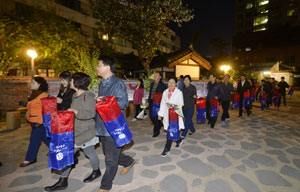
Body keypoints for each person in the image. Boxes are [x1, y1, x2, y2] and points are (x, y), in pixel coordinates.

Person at [45, 72, 100, 191]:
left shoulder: (88, 96)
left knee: (90, 154)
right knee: (67, 155)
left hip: (85, 133)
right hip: (73, 132)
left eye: (72, 80)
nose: (70, 82)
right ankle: (63, 181)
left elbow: (91, 114)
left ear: (77, 82)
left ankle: (96, 171)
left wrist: (76, 112)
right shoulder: (75, 95)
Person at [95, 56, 135, 192]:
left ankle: (105, 186)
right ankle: (129, 161)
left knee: (110, 160)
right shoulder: (102, 83)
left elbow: (123, 103)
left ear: (107, 67)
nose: (97, 68)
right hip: (102, 124)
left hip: (113, 126)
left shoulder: (117, 83)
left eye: (99, 65)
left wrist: (105, 99)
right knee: (109, 153)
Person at [19, 77, 50, 167]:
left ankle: (30, 158)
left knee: (34, 141)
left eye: (33, 83)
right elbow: (34, 105)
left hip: (39, 122)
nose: (31, 84)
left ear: (39, 84)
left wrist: (42, 121)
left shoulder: (43, 95)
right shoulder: (35, 94)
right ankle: (56, 150)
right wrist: (25, 104)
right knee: (45, 138)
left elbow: (46, 110)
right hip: (33, 120)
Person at [158, 77, 184, 157]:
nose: (171, 84)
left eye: (173, 82)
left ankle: (167, 149)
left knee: (170, 131)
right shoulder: (165, 92)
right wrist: (160, 114)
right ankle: (179, 140)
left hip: (174, 116)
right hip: (167, 115)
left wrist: (172, 105)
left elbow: (181, 104)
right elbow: (162, 103)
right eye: (169, 82)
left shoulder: (179, 93)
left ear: (176, 84)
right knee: (172, 131)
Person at [148, 72, 167, 137]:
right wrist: (148, 101)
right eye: (154, 75)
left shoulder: (163, 85)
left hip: (158, 103)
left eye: (156, 75)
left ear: (160, 77)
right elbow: (150, 93)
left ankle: (156, 131)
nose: (155, 76)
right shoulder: (152, 84)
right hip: (151, 102)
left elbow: (165, 95)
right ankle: (160, 124)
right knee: (151, 116)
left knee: (156, 117)